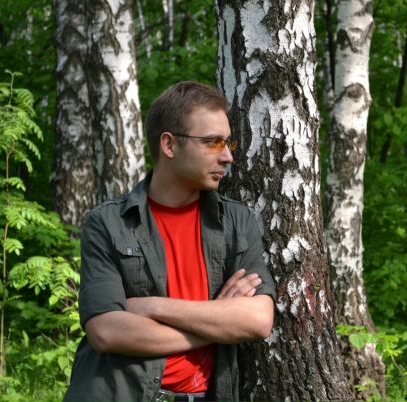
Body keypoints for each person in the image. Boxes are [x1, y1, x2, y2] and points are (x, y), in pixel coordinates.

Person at [63, 81, 276, 402]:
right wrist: (218, 321)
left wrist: (152, 307)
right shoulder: (108, 223)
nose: (228, 156)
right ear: (169, 144)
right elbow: (105, 331)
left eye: (228, 142)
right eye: (213, 143)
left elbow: (257, 321)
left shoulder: (236, 222)